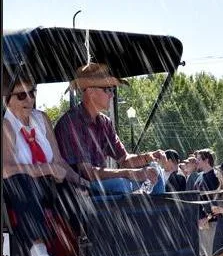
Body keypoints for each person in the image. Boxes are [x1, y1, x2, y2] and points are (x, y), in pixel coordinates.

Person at [2, 71, 87, 256]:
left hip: (47, 183)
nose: (29, 99)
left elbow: (59, 161)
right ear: (8, 101)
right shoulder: (6, 126)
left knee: (77, 192)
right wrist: (45, 168)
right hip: (20, 189)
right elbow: (5, 169)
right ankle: (38, 249)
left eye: (32, 93)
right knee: (22, 182)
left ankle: (84, 248)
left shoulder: (42, 119)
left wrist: (82, 182)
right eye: (21, 95)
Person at [54, 62, 166, 195]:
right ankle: (133, 214)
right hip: (78, 190)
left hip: (99, 187)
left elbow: (124, 160)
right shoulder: (71, 122)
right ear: (90, 92)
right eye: (108, 89)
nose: (112, 95)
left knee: (156, 175)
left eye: (112, 90)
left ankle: (156, 214)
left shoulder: (105, 123)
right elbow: (88, 173)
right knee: (122, 184)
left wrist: (149, 157)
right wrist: (132, 173)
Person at [193, 148, 219, 256]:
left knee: (210, 255)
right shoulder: (200, 176)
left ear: (207, 160)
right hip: (200, 222)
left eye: (198, 159)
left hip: (210, 223)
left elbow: (216, 201)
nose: (196, 162)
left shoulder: (214, 177)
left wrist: (207, 218)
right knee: (202, 254)